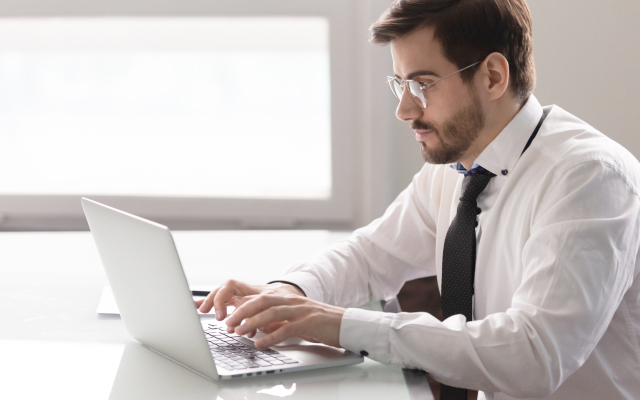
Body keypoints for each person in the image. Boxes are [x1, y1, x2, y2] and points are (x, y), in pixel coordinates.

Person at [196, 1, 640, 399]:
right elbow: (372, 255)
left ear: (493, 76)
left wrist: (338, 324)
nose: (405, 110)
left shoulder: (588, 179)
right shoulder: (458, 167)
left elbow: (535, 355)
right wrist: (289, 294)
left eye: (423, 84)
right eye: (400, 84)